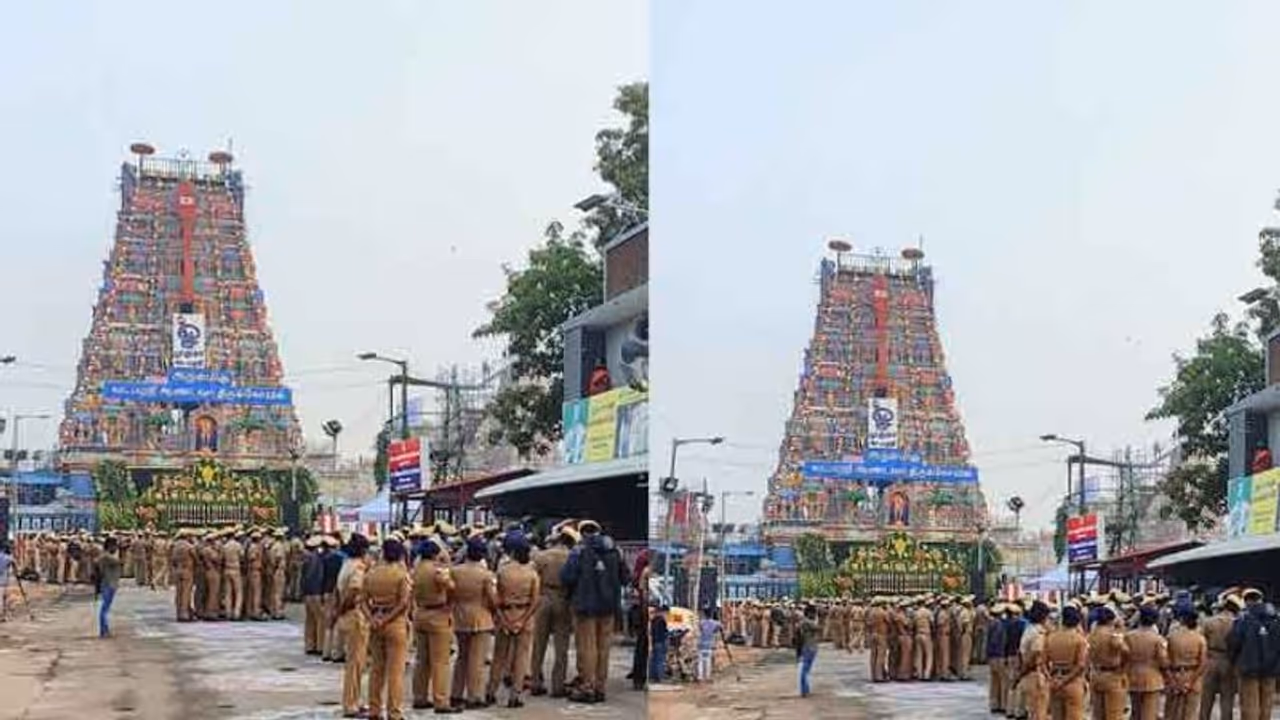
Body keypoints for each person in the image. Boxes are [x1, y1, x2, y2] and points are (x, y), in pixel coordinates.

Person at [561, 519, 630, 704]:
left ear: (582, 532)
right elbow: (626, 578)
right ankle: (600, 687)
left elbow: (567, 576)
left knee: (587, 648)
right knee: (603, 649)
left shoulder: (579, 551)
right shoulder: (616, 551)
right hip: (608, 607)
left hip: (585, 606)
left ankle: (587, 687)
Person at [488, 530, 540, 708]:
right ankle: (515, 696)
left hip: (505, 614)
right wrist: (523, 620)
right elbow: (535, 601)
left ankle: (491, 692)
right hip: (524, 614)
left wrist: (503, 618)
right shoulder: (532, 574)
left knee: (499, 657)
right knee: (521, 658)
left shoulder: (502, 571)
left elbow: (495, 598)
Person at [364, 537, 412, 720]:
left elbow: (362, 601)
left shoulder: (371, 574)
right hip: (395, 623)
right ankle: (394, 712)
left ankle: (374, 710)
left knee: (376, 669)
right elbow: (404, 602)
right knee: (396, 671)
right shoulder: (401, 575)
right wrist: (387, 619)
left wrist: (373, 619)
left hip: (376, 620)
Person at [410, 537, 458, 714]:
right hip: (438, 614)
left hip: (420, 612)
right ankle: (441, 700)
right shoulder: (437, 571)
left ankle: (419, 696)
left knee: (422, 659)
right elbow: (451, 587)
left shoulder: (415, 570)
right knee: (440, 661)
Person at [451, 536, 498, 710]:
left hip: (460, 616)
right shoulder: (486, 574)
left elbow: (450, 593)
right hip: (481, 617)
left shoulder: (455, 571)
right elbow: (493, 599)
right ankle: (474, 696)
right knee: (477, 660)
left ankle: (456, 693)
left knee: (462, 657)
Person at [531, 527, 576, 698]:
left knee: (538, 643)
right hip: (563, 599)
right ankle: (558, 685)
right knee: (561, 646)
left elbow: (532, 576)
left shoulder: (542, 555)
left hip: (543, 597)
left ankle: (535, 681)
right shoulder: (572, 556)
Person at [1228, 587, 1279, 720]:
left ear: (1246, 601)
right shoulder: (1275, 619)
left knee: (1250, 705)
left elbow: (1234, 642)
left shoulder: (1243, 619)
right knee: (1266, 705)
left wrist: (1233, 661)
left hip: (1248, 668)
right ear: (1261, 599)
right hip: (1271, 669)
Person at [336, 533, 372, 719]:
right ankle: (351, 704)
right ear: (363, 550)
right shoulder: (358, 567)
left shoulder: (346, 564)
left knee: (356, 662)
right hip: (355, 615)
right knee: (356, 663)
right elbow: (354, 590)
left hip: (349, 616)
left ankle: (355, 700)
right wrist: (343, 607)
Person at [1201, 593, 1241, 720]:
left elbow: (1202, 641)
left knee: (1207, 696)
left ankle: (1203, 717)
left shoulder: (1209, 621)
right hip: (1229, 661)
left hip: (1211, 659)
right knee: (1227, 697)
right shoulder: (1237, 623)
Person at [1044, 604, 1088, 720]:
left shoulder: (1051, 637)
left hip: (1055, 680)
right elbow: (1081, 665)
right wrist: (1065, 680)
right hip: (1073, 681)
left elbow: (1042, 663)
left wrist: (1050, 678)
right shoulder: (1079, 640)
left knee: (1057, 716)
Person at [1165, 602, 1208, 720]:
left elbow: (1166, 661)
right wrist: (1191, 681)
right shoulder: (1200, 639)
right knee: (1190, 713)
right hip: (1192, 674)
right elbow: (1203, 663)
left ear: (1181, 619)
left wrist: (1172, 679)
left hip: (1175, 674)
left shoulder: (1172, 637)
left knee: (1172, 712)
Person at [1126, 604, 1169, 720]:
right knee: (1149, 714)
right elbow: (1163, 661)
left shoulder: (1129, 636)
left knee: (1135, 713)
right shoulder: (1157, 639)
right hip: (1152, 679)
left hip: (1133, 676)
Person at [1088, 604, 1129, 720]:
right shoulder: (1112, 635)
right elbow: (1126, 650)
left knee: (1098, 714)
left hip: (1096, 674)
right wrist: (1123, 667)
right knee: (1114, 714)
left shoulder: (1092, 634)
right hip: (1112, 675)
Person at [301, 536, 327, 655]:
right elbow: (320, 577)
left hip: (307, 592)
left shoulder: (305, 558)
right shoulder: (317, 559)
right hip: (316, 592)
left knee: (309, 620)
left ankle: (309, 645)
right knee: (320, 620)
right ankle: (320, 646)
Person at [94, 536, 123, 638]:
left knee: (105, 608)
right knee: (104, 609)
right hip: (109, 583)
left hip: (107, 583)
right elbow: (119, 561)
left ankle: (104, 629)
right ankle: (103, 630)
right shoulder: (107, 557)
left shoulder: (103, 556)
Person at [796, 603, 821, 697]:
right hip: (809, 646)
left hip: (807, 646)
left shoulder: (803, 622)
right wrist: (817, 618)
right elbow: (817, 627)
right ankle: (804, 690)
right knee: (805, 670)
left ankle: (805, 689)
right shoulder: (807, 622)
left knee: (805, 670)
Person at [697, 608, 721, 683]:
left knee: (700, 661)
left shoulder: (701, 622)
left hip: (701, 643)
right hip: (709, 644)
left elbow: (700, 629)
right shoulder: (715, 623)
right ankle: (707, 676)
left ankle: (700, 677)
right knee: (708, 660)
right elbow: (718, 629)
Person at [649, 602, 669, 683]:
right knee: (660, 660)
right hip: (661, 641)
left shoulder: (653, 620)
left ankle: (653, 676)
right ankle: (659, 677)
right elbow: (664, 632)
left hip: (655, 641)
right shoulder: (662, 620)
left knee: (654, 659)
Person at [0, 540, 12, 621]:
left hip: (3, 581)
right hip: (3, 582)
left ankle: (3, 615)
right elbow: (15, 564)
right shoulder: (8, 558)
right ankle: (2, 615)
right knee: (3, 598)